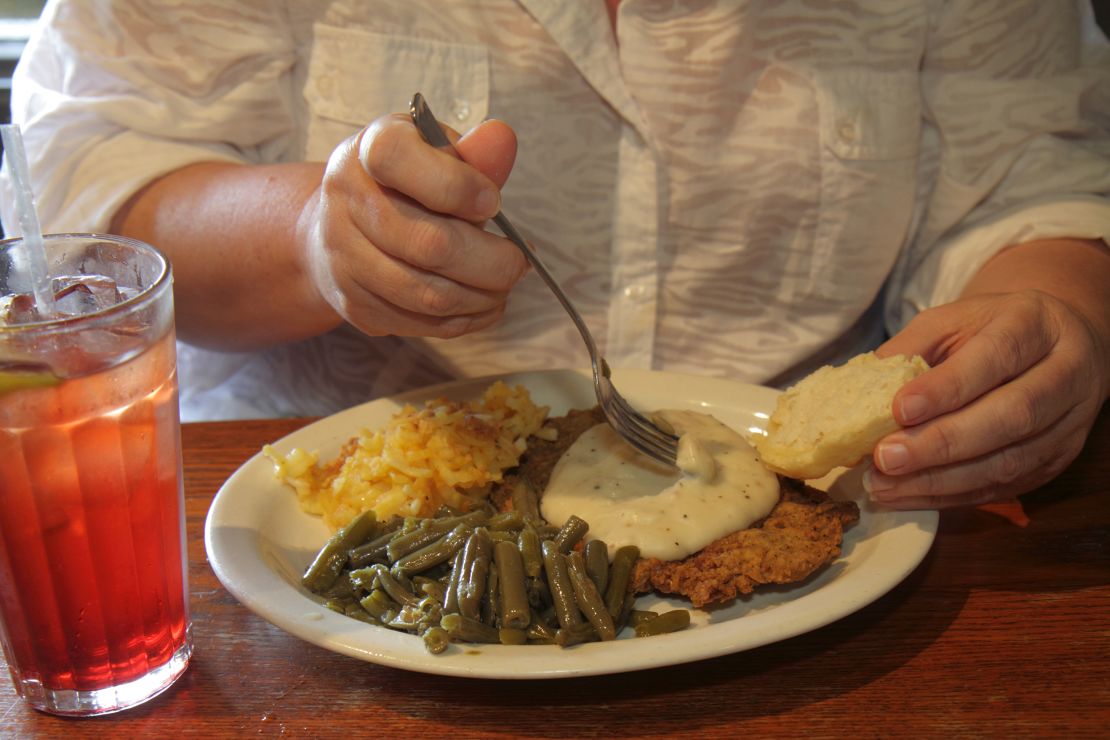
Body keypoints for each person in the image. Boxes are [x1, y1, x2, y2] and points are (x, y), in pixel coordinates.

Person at [3, 0, 1108, 511]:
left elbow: (1041, 181)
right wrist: (311, 238)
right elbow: (99, 182)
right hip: (304, 559)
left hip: (833, 578)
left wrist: (1057, 318)